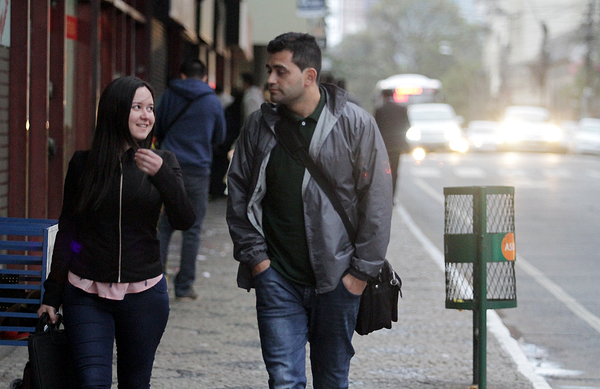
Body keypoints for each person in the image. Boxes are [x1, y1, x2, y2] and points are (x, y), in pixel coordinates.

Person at [226, 32, 393, 389]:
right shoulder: (259, 124)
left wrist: (359, 275)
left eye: (280, 71)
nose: (270, 79)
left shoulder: (355, 123)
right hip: (277, 278)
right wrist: (258, 262)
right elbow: (238, 193)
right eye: (269, 69)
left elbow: (377, 201)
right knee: (284, 380)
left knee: (332, 380)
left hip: (338, 280)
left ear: (309, 76)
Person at [38, 76, 196, 388]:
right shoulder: (84, 164)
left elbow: (184, 220)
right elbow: (70, 231)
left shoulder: (164, 161)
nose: (146, 115)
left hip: (145, 295)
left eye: (150, 108)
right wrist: (52, 295)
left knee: (135, 383)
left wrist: (163, 177)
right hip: (86, 292)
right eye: (137, 107)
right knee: (92, 382)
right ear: (115, 111)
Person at [155, 59, 226, 300]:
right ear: (205, 78)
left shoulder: (169, 94)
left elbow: (158, 125)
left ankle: (156, 285)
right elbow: (220, 136)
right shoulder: (212, 101)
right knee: (192, 230)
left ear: (182, 75)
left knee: (162, 227)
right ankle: (184, 287)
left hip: (166, 167)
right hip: (197, 169)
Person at [375, 88, 411, 196]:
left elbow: (376, 128)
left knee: (383, 171)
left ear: (383, 97)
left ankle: (384, 194)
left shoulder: (380, 110)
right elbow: (407, 125)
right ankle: (392, 195)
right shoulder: (402, 109)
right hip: (397, 145)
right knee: (394, 171)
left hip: (383, 146)